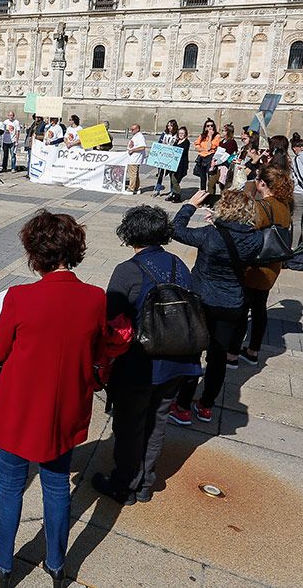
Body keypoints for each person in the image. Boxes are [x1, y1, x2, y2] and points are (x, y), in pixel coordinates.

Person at [0, 210, 127, 588]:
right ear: (73, 250)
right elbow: (97, 348)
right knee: (57, 485)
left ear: (34, 253)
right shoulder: (95, 298)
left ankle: (3, 562)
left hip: (20, 406)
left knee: (10, 484)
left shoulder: (18, 297)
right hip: (64, 406)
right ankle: (57, 563)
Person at [96, 205, 198, 505]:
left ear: (130, 234)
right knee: (158, 421)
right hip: (179, 360)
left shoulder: (128, 270)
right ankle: (145, 483)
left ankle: (125, 484)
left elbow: (110, 317)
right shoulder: (179, 265)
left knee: (129, 425)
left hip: (140, 363)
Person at [168, 190, 263, 425]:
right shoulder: (256, 238)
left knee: (192, 353)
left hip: (202, 299)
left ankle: (182, 406)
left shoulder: (210, 235)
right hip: (232, 303)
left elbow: (176, 229)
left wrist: (190, 205)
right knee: (218, 357)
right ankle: (206, 406)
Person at [231, 166, 294, 364]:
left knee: (242, 311)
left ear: (263, 184)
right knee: (259, 308)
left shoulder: (262, 207)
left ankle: (231, 354)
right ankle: (253, 351)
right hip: (272, 264)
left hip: (255, 266)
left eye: (258, 180)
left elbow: (245, 235)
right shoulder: (285, 205)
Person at [193, 119, 221, 194]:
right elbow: (196, 146)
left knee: (211, 179)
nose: (210, 127)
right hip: (202, 157)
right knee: (202, 178)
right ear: (205, 127)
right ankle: (202, 195)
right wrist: (203, 149)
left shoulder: (217, 136)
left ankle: (210, 196)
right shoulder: (202, 135)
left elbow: (209, 147)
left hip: (210, 157)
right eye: (208, 126)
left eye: (212, 125)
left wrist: (210, 136)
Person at [153, 120, 179, 197]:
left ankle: (172, 191)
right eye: (168, 126)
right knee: (160, 173)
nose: (169, 127)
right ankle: (157, 189)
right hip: (163, 156)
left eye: (171, 126)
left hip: (171, 157)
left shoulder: (176, 135)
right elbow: (159, 142)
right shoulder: (165, 133)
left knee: (171, 175)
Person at [165, 125, 191, 203]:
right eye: (180, 133)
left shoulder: (186, 142)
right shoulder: (176, 141)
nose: (181, 135)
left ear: (185, 134)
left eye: (182, 133)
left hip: (181, 164)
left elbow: (183, 152)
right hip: (173, 163)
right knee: (172, 178)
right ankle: (173, 194)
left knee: (175, 179)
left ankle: (178, 195)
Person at [125, 123, 147, 195]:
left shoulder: (140, 136)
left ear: (137, 129)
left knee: (132, 174)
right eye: (131, 129)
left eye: (133, 129)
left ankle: (131, 189)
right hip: (133, 158)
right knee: (135, 174)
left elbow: (142, 147)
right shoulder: (136, 136)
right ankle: (137, 188)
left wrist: (132, 150)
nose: (131, 131)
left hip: (135, 158)